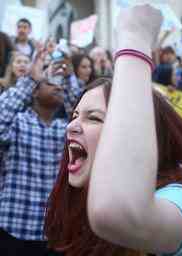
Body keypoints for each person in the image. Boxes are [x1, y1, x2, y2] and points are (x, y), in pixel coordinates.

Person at [45, 5, 182, 256]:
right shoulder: (77, 203)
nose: (71, 125)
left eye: (94, 118)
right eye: (75, 115)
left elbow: (117, 211)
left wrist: (135, 36)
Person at [0, 50, 83, 256]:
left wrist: (70, 76)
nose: (58, 86)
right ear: (34, 92)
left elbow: (83, 111)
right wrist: (32, 78)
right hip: (13, 229)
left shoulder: (66, 129)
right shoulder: (18, 122)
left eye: (60, 84)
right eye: (49, 83)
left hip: (55, 233)